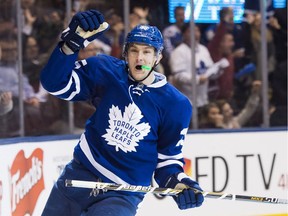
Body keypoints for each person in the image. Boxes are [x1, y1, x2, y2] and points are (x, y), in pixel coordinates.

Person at [40, 9, 204, 216]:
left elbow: (167, 162)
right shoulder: (106, 70)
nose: (140, 57)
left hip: (122, 194)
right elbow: (54, 84)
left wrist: (181, 185)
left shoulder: (176, 104)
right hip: (78, 178)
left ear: (158, 57)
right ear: (125, 53)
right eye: (134, 50)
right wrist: (70, 45)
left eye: (147, 52)